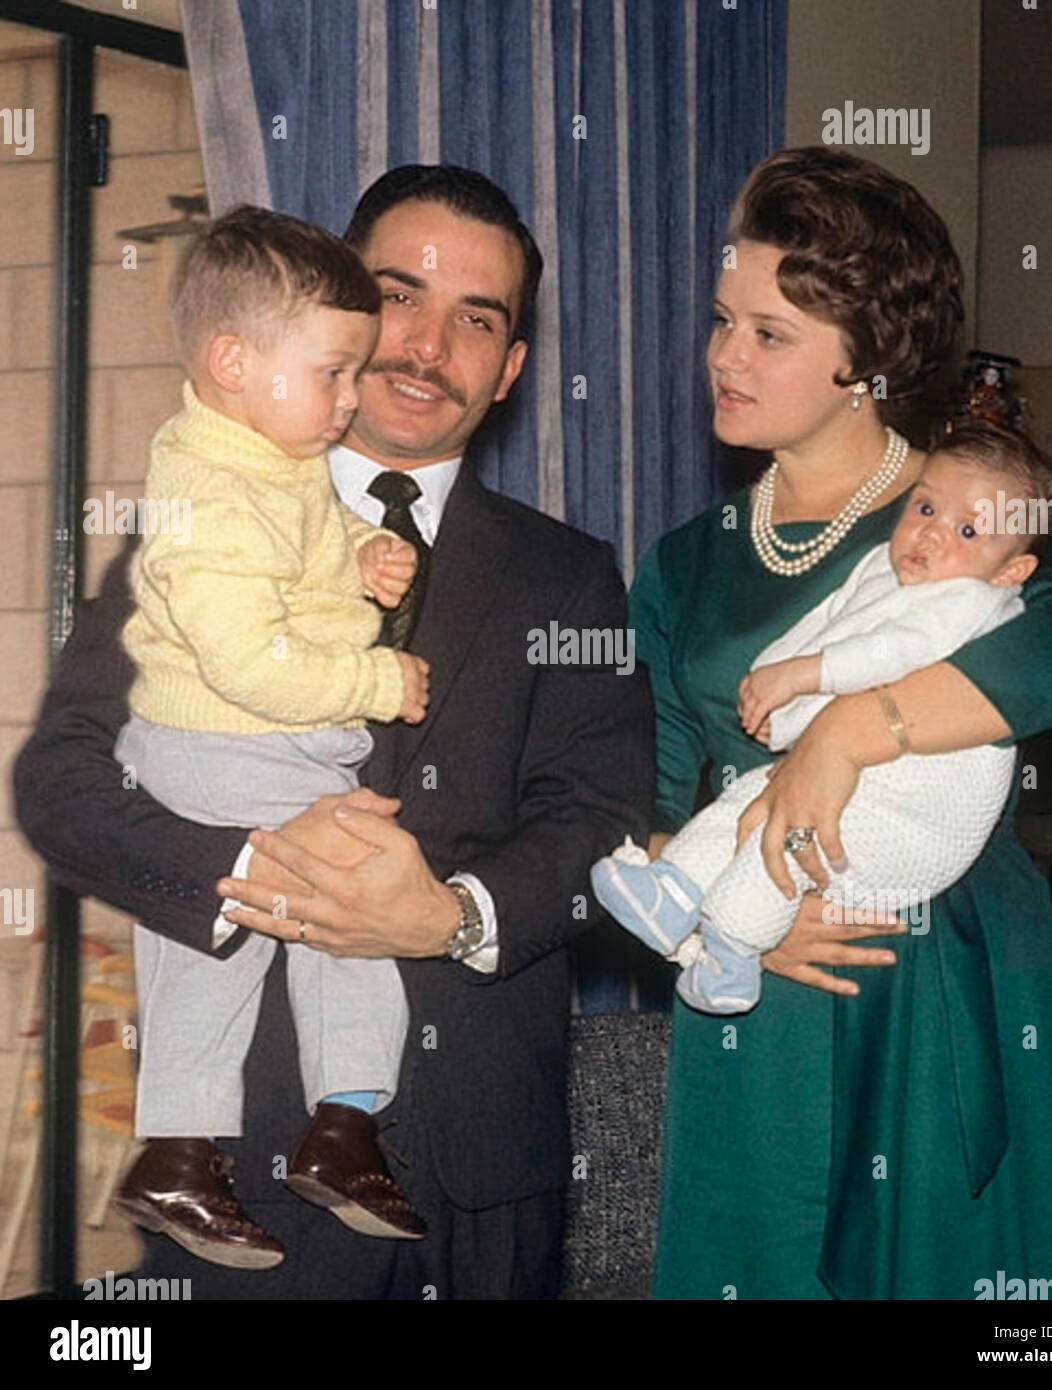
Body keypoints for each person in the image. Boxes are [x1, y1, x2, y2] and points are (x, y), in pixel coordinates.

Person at [14, 165, 655, 1300]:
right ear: (334, 315)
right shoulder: (200, 515)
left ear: (510, 369)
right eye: (397, 295)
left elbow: (604, 825)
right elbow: (60, 783)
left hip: (484, 1186)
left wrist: (449, 916)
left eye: (476, 318)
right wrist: (251, 871)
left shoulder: (572, 573)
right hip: (239, 1175)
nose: (424, 345)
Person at [631, 147, 1052, 1299]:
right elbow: (649, 785)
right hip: (756, 975)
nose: (722, 354)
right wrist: (714, 920)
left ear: (864, 361)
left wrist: (850, 726)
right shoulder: (683, 560)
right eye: (722, 320)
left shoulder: (966, 512)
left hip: (933, 977)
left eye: (768, 333)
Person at [111, 206, 433, 1268]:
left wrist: (359, 555)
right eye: (335, 375)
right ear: (233, 360)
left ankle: (330, 1127)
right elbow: (247, 656)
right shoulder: (204, 487)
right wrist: (374, 675)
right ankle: (201, 1150)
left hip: (276, 753)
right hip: (222, 748)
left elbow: (302, 532)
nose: (353, 403)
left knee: (346, 929)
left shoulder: (264, 450)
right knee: (224, 951)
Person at [594, 424, 1052, 1016]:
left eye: (968, 530)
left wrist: (802, 677)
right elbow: (827, 623)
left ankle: (734, 948)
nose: (933, 533)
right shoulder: (880, 567)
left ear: (1009, 571)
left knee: (789, 836)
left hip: (921, 803)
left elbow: (893, 651)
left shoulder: (972, 600)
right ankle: (674, 889)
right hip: (846, 775)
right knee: (750, 803)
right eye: (925, 507)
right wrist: (773, 681)